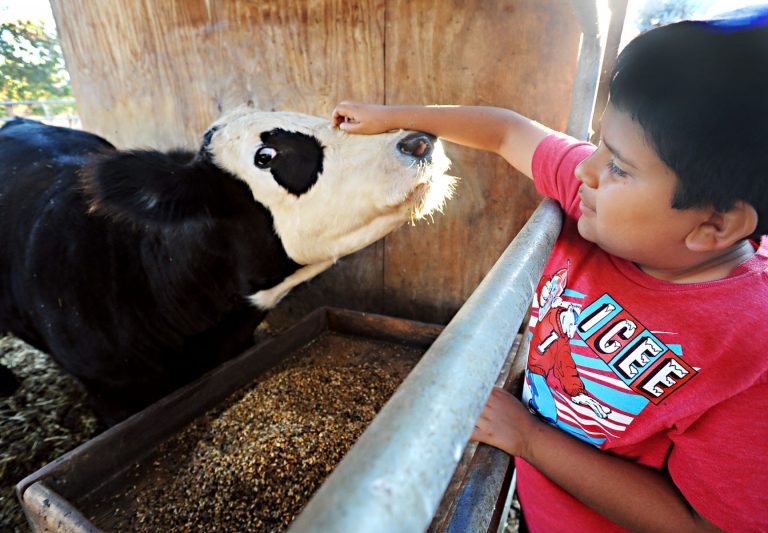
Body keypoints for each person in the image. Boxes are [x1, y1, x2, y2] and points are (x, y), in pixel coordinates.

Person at [332, 10, 768, 533]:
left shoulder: (747, 353)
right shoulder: (604, 203)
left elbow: (703, 523)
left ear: (715, 225)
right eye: (598, 142)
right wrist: (390, 117)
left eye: (619, 167)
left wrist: (528, 438)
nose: (586, 167)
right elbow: (506, 131)